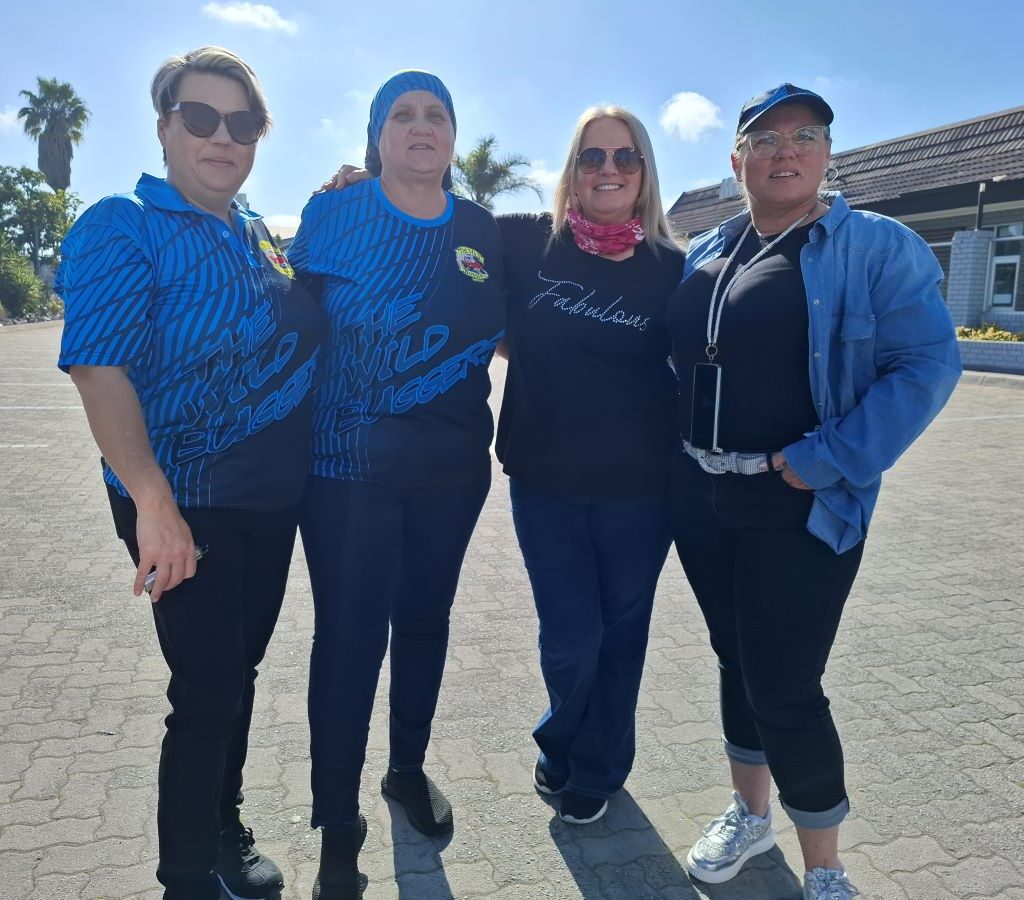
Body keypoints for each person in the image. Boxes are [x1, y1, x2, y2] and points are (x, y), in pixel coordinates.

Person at [667, 83, 961, 899]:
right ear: (737, 162)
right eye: (764, 140)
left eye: (803, 135)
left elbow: (928, 365)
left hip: (798, 499)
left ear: (828, 153)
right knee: (736, 662)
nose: (784, 151)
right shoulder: (709, 246)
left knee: (787, 684)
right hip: (703, 496)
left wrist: (831, 455)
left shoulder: (871, 246)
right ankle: (750, 816)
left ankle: (825, 868)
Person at [56, 48, 325, 900]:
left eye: (241, 124)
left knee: (235, 678)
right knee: (206, 689)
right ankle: (185, 877)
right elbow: (99, 368)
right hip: (183, 503)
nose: (222, 136)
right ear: (166, 125)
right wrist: (152, 503)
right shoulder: (122, 223)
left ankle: (224, 823)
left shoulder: (255, 231)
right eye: (201, 117)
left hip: (269, 501)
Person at [287, 70, 505, 900]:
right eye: (402, 115)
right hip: (347, 473)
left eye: (436, 115)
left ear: (452, 135)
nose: (421, 127)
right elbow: (283, 319)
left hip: (452, 476)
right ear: (376, 135)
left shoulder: (485, 231)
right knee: (349, 641)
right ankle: (336, 825)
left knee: (424, 624)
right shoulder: (333, 216)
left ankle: (405, 769)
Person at [496, 107, 685, 825]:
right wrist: (363, 185)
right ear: (572, 170)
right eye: (593, 156)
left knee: (623, 633)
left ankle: (600, 766)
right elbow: (433, 219)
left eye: (626, 158)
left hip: (641, 491)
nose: (609, 169)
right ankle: (560, 737)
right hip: (544, 482)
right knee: (570, 635)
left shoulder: (673, 268)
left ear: (644, 174)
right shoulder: (524, 244)